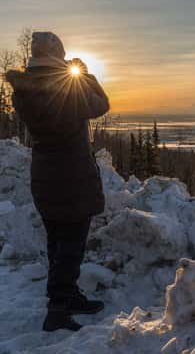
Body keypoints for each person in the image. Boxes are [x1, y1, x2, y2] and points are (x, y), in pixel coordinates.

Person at [6, 32, 110, 332]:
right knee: (71, 245)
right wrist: (84, 75)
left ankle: (69, 296)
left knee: (58, 240)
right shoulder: (65, 90)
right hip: (71, 177)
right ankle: (57, 308)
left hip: (45, 175)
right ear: (57, 56)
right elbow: (101, 104)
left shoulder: (23, 90)